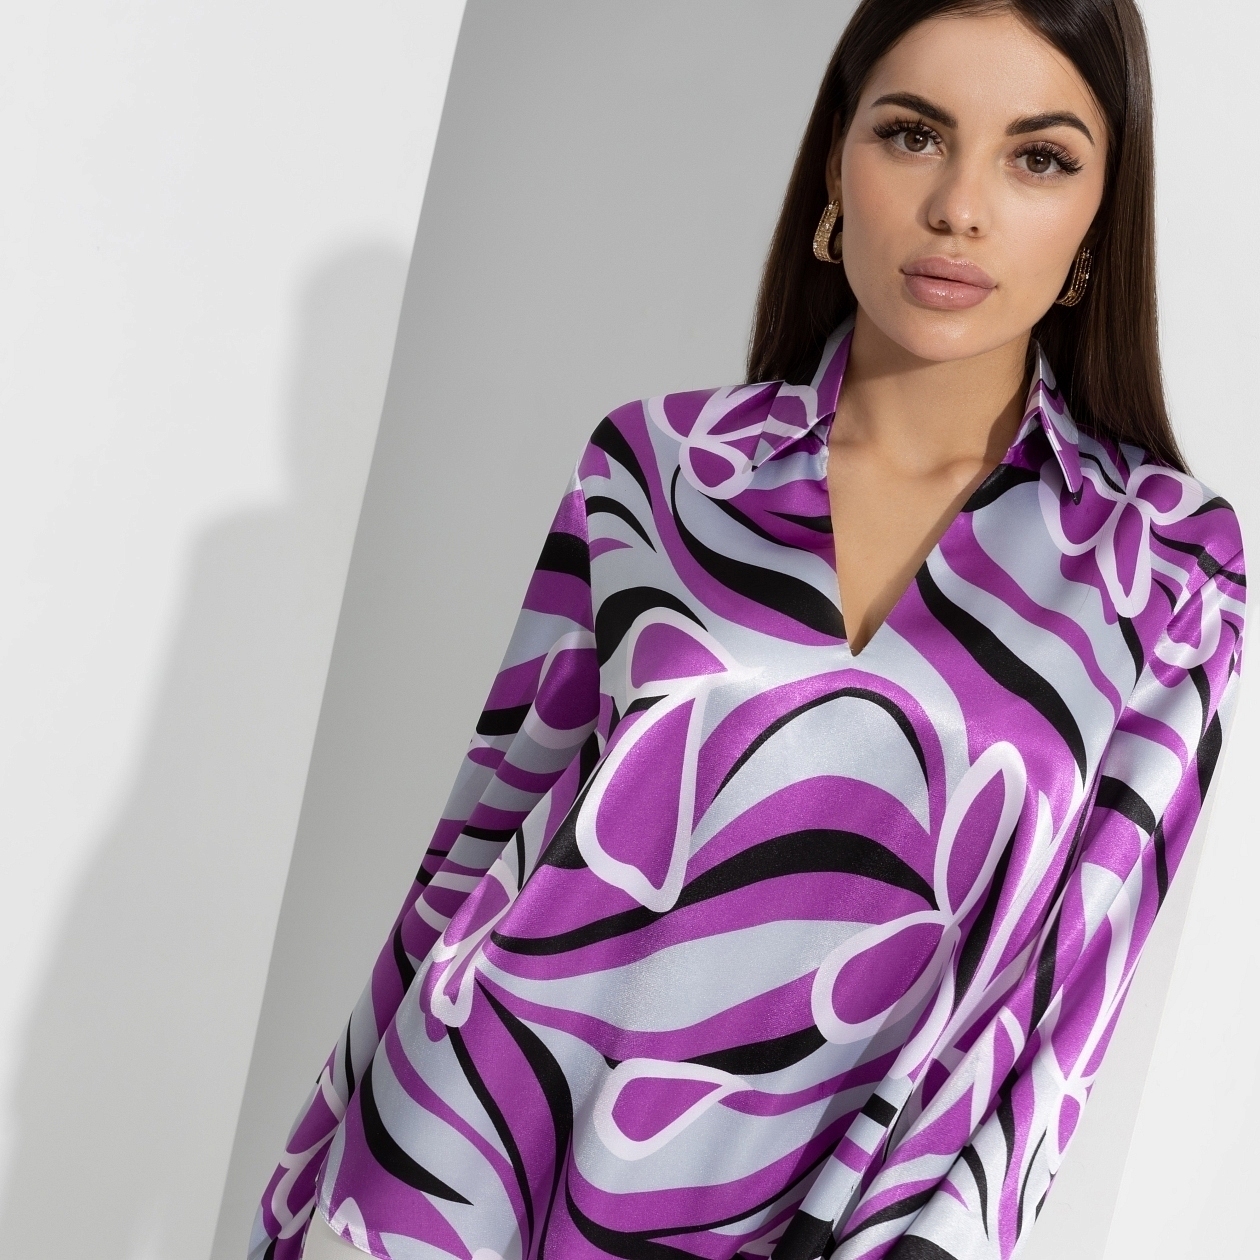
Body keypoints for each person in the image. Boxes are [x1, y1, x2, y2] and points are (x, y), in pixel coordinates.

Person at [252, 2, 1246, 1258]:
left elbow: (1064, 1017)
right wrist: (328, 1168)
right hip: (470, 1163)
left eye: (1038, 158)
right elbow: (480, 835)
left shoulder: (1167, 565)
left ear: (1103, 212)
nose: (960, 208)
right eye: (913, 134)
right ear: (836, 161)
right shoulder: (657, 464)